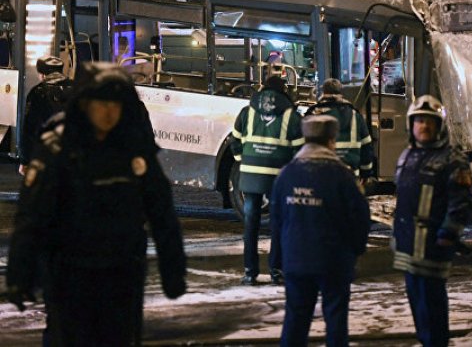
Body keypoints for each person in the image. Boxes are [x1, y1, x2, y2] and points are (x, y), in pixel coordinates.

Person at [6, 63, 187, 346]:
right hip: (68, 273)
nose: (108, 112)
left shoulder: (133, 148)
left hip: (122, 272)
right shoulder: (58, 146)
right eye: (100, 103)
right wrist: (20, 274)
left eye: (115, 104)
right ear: (85, 104)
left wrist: (173, 270)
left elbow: (162, 212)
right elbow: (32, 215)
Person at [271, 114, 371, 346]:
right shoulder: (341, 175)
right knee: (335, 321)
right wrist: (355, 250)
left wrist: (278, 259)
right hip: (333, 262)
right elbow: (359, 217)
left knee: (295, 321)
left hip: (295, 262)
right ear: (331, 140)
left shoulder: (286, 175)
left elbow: (277, 222)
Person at [392, 95, 472, 346]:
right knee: (418, 308)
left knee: (432, 311)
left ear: (440, 126)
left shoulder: (452, 160)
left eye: (429, 121)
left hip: (432, 249)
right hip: (408, 248)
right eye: (419, 121)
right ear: (411, 125)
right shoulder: (407, 156)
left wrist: (448, 233)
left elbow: (461, 202)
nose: (423, 126)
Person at [230, 75, 303, 286]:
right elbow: (299, 149)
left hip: (250, 174)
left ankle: (250, 272)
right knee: (277, 223)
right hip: (278, 177)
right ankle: (276, 271)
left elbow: (235, 139)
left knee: (250, 224)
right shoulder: (291, 115)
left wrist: (242, 160)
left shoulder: (248, 110)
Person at [305, 78, 374, 179]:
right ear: (341, 92)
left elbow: (303, 147)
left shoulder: (313, 115)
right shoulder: (355, 115)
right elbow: (366, 145)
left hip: (322, 175)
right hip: (350, 175)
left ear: (323, 92)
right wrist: (366, 172)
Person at [19, 55, 72, 175]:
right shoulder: (78, 88)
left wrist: (25, 160)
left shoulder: (38, 92)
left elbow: (29, 129)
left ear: (42, 74)